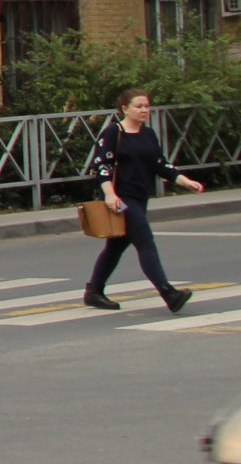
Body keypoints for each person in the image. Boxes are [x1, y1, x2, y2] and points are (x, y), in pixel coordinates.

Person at [85, 87, 205, 312]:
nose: (144, 110)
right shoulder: (113, 132)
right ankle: (168, 293)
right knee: (145, 242)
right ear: (125, 109)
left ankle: (94, 291)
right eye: (139, 106)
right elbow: (101, 165)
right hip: (121, 199)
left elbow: (160, 164)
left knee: (115, 247)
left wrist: (184, 180)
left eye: (147, 106)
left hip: (140, 197)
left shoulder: (148, 134)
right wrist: (110, 194)